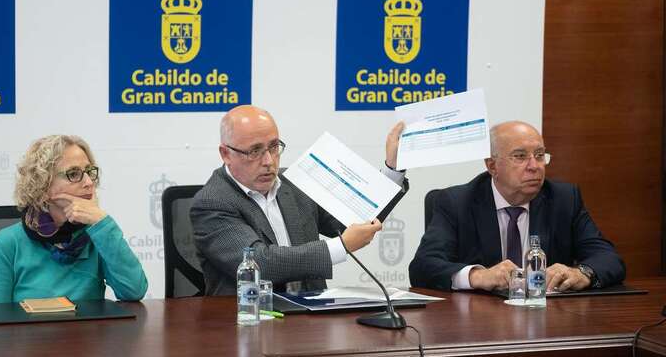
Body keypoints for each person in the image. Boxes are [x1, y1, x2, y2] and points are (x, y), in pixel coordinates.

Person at [191, 104, 409, 296]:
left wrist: (393, 168)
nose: (268, 161)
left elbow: (356, 222)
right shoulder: (212, 202)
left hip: (310, 319)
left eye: (274, 147)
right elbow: (258, 264)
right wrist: (341, 246)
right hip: (248, 318)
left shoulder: (294, 183)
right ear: (226, 154)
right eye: (255, 151)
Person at [409, 121, 625, 292]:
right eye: (520, 157)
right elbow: (423, 267)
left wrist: (582, 273)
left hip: (550, 319)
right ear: (492, 165)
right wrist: (478, 276)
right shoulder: (456, 202)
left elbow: (608, 259)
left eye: (540, 155)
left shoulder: (564, 199)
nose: (534, 166)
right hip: (479, 323)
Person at [0, 135, 148, 303]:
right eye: (74, 174)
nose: (89, 182)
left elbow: (134, 291)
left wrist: (102, 223)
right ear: (43, 185)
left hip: (87, 329)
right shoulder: (7, 243)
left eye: (90, 172)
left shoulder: (97, 234)